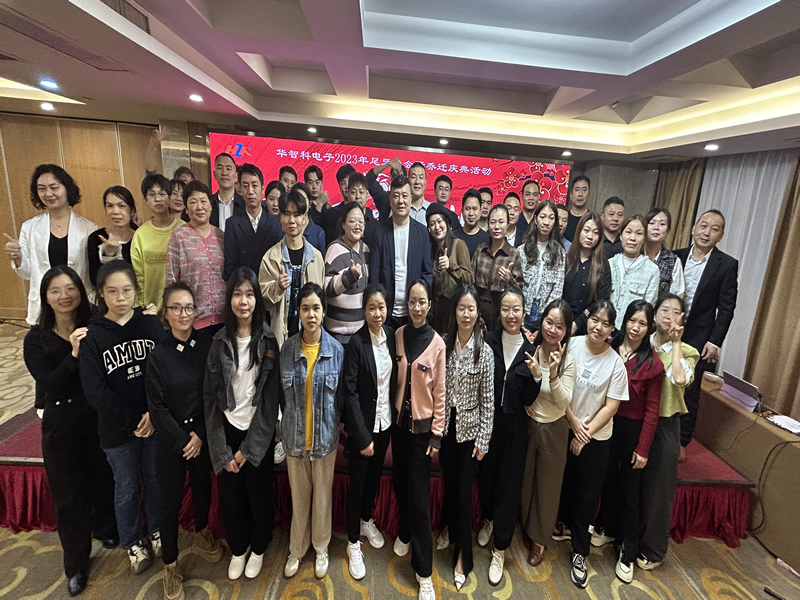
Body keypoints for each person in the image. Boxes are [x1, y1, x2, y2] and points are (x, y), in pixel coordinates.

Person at [23, 266, 117, 596]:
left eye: (70, 288)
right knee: (69, 495)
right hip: (61, 421)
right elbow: (49, 383)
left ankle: (106, 528)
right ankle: (76, 564)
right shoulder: (36, 339)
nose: (65, 296)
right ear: (46, 297)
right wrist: (75, 355)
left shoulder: (93, 325)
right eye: (56, 291)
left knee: (102, 476)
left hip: (94, 415)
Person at [78, 260, 166, 575]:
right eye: (113, 291)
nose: (121, 298)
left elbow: (165, 371)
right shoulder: (92, 336)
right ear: (101, 293)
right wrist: (132, 420)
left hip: (153, 422)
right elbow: (95, 390)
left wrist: (153, 414)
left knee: (154, 478)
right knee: (126, 485)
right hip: (117, 429)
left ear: (135, 290)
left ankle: (157, 529)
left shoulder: (150, 324)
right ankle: (132, 541)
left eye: (127, 290)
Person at [145, 282, 224, 599]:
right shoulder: (158, 355)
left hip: (201, 435)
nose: (183, 313)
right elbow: (157, 407)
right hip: (172, 440)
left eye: (188, 307)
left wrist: (200, 435)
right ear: (165, 313)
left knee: (202, 486)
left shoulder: (206, 345)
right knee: (170, 501)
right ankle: (170, 564)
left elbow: (214, 394)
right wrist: (183, 440)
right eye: (176, 308)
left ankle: (202, 533)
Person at [204, 267, 280, 580]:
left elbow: (271, 400)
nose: (243, 301)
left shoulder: (269, 340)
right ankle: (239, 547)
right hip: (227, 427)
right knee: (232, 496)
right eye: (237, 294)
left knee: (258, 494)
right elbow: (210, 399)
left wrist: (249, 449)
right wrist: (222, 450)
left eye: (249, 294)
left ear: (257, 299)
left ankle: (259, 547)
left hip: (257, 430)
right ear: (230, 299)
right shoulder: (218, 342)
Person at [555, 300, 628, 589]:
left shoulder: (615, 363)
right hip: (565, 425)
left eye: (606, 323)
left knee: (587, 495)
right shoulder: (571, 346)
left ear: (612, 329)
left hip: (596, 438)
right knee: (563, 483)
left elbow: (612, 406)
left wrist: (584, 434)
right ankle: (562, 525)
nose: (598, 327)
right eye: (595, 320)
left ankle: (580, 552)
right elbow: (557, 385)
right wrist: (573, 423)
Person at [592, 300, 663, 584]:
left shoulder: (652, 363)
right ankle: (606, 528)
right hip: (606, 422)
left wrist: (643, 448)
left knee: (630, 490)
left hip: (632, 429)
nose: (635, 327)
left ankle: (628, 551)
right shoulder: (609, 346)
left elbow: (652, 410)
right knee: (606, 478)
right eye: (632, 320)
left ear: (649, 328)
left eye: (642, 323)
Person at [478, 286, 541, 586]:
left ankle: (500, 548)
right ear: (499, 312)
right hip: (489, 422)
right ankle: (488, 519)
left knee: (509, 483)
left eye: (516, 309)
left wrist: (537, 377)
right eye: (506, 309)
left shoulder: (530, 349)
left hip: (516, 426)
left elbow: (528, 398)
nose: (511, 314)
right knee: (486, 476)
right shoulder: (488, 341)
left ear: (524, 312)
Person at [281, 282, 344, 580]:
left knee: (322, 498)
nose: (311, 315)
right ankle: (296, 549)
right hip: (295, 440)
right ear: (298, 311)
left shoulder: (336, 351)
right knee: (299, 498)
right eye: (305, 308)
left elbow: (341, 400)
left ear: (324, 312)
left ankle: (321, 547)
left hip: (324, 441)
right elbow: (279, 397)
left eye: (316, 308)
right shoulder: (287, 349)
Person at [436, 286, 494, 590]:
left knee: (462, 493)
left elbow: (488, 401)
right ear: (455, 311)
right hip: (446, 429)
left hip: (470, 433)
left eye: (471, 309)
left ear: (477, 313)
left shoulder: (485, 352)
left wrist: (483, 440)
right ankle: (448, 527)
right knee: (449, 484)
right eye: (462, 308)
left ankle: (463, 558)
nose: (466, 314)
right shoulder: (444, 344)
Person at [391, 279, 446, 600]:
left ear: (429, 305)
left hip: (422, 434)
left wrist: (436, 436)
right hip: (399, 428)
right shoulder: (398, 335)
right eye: (412, 301)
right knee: (400, 484)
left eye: (421, 302)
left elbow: (440, 394)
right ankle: (404, 532)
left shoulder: (437, 344)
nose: (416, 307)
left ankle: (424, 572)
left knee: (419, 499)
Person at [638, 293, 698, 570]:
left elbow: (680, 379)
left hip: (665, 424)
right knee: (631, 481)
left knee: (658, 489)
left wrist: (675, 345)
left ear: (682, 319)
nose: (669, 316)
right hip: (637, 420)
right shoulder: (642, 341)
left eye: (675, 312)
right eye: (664, 310)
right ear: (654, 315)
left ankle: (653, 549)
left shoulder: (687, 351)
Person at [341, 284, 397, 580]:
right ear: (364, 311)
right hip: (363, 429)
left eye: (381, 307)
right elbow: (349, 393)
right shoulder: (356, 343)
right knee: (358, 486)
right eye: (372, 308)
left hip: (384, 424)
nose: (377, 313)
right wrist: (362, 437)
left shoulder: (392, 337)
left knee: (373, 481)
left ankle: (365, 520)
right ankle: (352, 542)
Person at [674, 209, 738, 459]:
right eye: (703, 225)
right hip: (668, 329)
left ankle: (682, 441)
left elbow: (726, 307)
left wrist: (714, 341)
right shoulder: (676, 256)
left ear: (721, 235)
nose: (707, 232)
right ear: (694, 228)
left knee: (689, 388)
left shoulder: (726, 265)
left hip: (699, 335)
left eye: (714, 228)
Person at [519, 299, 575, 568]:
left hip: (554, 429)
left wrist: (552, 375)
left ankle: (540, 540)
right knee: (526, 480)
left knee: (548, 488)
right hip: (528, 426)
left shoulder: (568, 361)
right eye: (549, 322)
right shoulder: (531, 349)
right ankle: (526, 527)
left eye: (559, 326)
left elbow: (564, 403)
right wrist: (525, 399)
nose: (552, 330)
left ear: (567, 330)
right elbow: (519, 386)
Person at [5, 164, 97, 325]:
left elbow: (94, 271)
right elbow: (27, 273)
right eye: (41, 189)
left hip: (79, 302)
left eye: (54, 187)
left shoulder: (89, 228)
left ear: (67, 189)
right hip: (46, 305)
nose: (48, 194)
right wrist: (18, 257)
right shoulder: (29, 227)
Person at [259, 189, 325, 346]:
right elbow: (263, 303)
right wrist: (278, 287)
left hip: (310, 335)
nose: (292, 220)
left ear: (304, 217)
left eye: (296, 215)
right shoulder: (271, 258)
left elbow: (321, 300)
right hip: (281, 335)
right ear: (280, 218)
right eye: (287, 214)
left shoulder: (316, 258)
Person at [369, 175, 433, 329]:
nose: (401, 201)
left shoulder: (422, 232)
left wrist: (420, 303)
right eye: (396, 196)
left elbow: (427, 273)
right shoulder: (380, 231)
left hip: (414, 313)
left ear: (411, 199)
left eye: (404, 196)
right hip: (386, 314)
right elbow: (375, 273)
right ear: (390, 199)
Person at [165, 180, 226, 332]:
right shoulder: (179, 236)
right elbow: (171, 279)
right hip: (192, 320)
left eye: (203, 201)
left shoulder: (221, 236)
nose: (199, 207)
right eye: (193, 202)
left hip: (224, 319)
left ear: (210, 206)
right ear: (186, 209)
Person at [131, 173, 185, 313]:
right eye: (152, 194)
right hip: (150, 309)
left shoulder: (183, 229)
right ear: (145, 199)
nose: (157, 199)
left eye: (162, 194)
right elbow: (138, 276)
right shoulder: (140, 235)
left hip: (180, 309)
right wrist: (140, 307)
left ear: (170, 197)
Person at [223, 163, 282, 280]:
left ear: (262, 189)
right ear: (240, 189)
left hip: (269, 286)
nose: (250, 191)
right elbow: (230, 267)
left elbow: (279, 263)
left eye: (254, 185)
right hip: (243, 286)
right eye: (245, 186)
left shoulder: (275, 224)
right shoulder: (232, 224)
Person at [471, 204, 524, 331]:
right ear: (488, 224)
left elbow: (519, 291)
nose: (496, 226)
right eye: (493, 222)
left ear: (507, 224)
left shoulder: (513, 254)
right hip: (479, 309)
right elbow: (470, 281)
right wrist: (475, 312)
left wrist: (509, 280)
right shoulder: (480, 250)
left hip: (502, 313)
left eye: (501, 222)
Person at [324, 202, 370, 343]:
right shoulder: (334, 249)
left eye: (360, 222)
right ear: (343, 224)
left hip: (361, 332)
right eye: (352, 221)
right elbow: (327, 288)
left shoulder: (366, 250)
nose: (357, 226)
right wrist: (349, 277)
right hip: (337, 333)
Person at [519, 200, 565, 331]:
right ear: (535, 219)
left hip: (546, 311)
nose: (546, 222)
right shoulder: (522, 250)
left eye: (551, 218)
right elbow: (518, 284)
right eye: (543, 217)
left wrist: (548, 315)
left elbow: (558, 288)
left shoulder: (559, 252)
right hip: (524, 308)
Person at [427, 203, 473, 334]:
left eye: (439, 221)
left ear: (446, 222)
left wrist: (451, 266)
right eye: (432, 224)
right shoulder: (430, 249)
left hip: (456, 309)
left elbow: (469, 279)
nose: (437, 227)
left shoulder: (459, 245)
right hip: (437, 312)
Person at [563, 213, 612, 335]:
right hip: (561, 322)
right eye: (586, 230)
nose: (590, 236)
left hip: (588, 328)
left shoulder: (602, 265)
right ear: (579, 231)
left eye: (595, 233)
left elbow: (600, 302)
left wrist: (577, 323)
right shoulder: (567, 260)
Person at [608, 215, 659, 330]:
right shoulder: (609, 264)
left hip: (633, 332)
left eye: (638, 233)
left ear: (644, 238)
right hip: (606, 331)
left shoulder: (652, 270)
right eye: (628, 232)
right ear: (621, 236)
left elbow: (648, 308)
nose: (632, 238)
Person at [88, 186, 137, 287]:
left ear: (132, 211)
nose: (115, 211)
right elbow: (95, 280)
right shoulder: (96, 238)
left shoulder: (140, 237)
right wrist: (108, 255)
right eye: (110, 206)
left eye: (121, 206)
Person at [645, 207, 686, 298]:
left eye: (662, 224)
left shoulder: (673, 260)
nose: (656, 227)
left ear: (667, 230)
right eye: (651, 223)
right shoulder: (635, 254)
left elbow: (676, 295)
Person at [206, 152, 245, 231]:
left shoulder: (245, 204)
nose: (224, 173)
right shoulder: (208, 203)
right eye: (220, 168)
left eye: (228, 168)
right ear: (214, 174)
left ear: (236, 176)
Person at [290, 182, 327, 254]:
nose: (300, 203)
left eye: (303, 199)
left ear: (310, 204)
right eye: (297, 199)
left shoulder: (319, 233)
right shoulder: (285, 229)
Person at [455, 188, 490, 258]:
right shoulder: (453, 237)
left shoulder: (488, 239)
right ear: (462, 211)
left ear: (480, 211)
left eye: (474, 209)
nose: (471, 213)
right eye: (467, 209)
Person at [564, 176, 590, 242]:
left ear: (588, 195)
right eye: (577, 190)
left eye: (584, 190)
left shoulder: (592, 218)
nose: (580, 194)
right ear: (571, 195)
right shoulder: (564, 218)